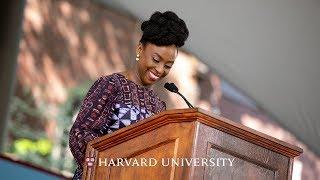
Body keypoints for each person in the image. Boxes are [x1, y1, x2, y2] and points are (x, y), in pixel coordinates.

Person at [68, 11, 189, 179]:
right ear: (140, 48)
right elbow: (80, 133)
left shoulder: (159, 106)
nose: (160, 70)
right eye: (156, 59)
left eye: (168, 65)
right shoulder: (111, 85)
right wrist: (101, 166)